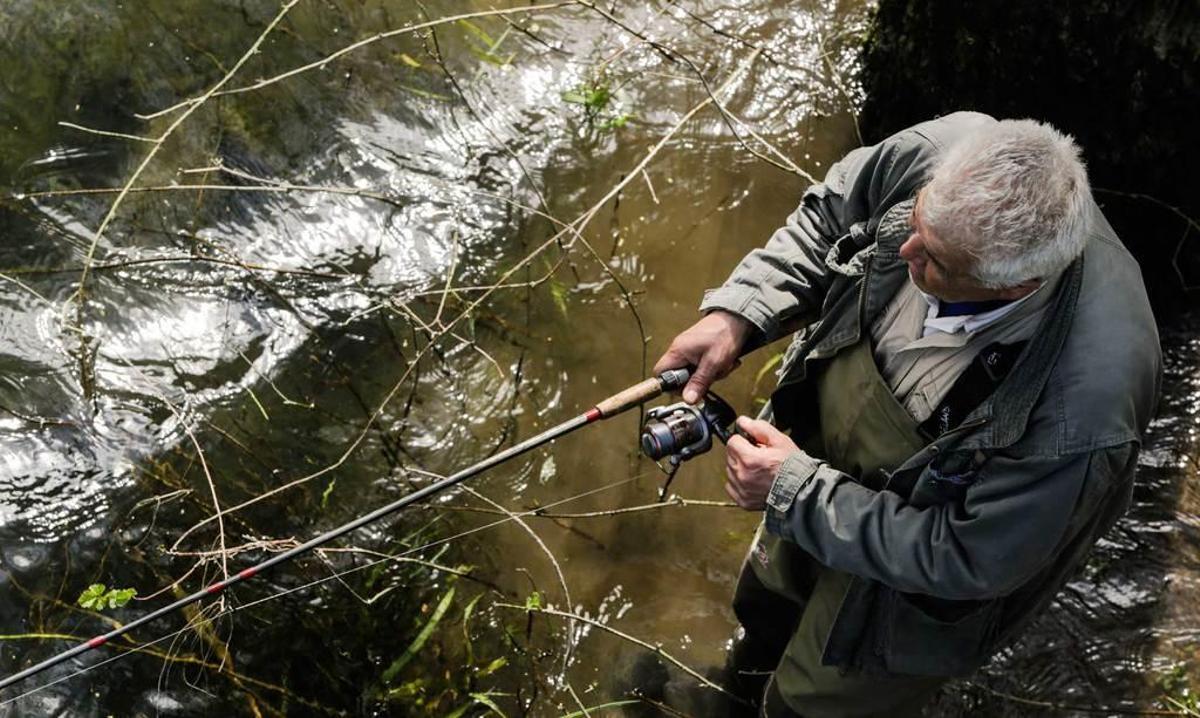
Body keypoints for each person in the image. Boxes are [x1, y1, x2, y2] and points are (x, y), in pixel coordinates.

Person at [653, 111, 1161, 717]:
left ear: (1014, 288)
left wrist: (796, 491)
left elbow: (970, 557)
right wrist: (739, 312)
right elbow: (832, 219)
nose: (902, 248)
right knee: (765, 607)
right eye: (917, 216)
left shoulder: (1088, 409)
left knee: (809, 705)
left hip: (909, 584)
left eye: (936, 261)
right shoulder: (942, 150)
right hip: (813, 458)